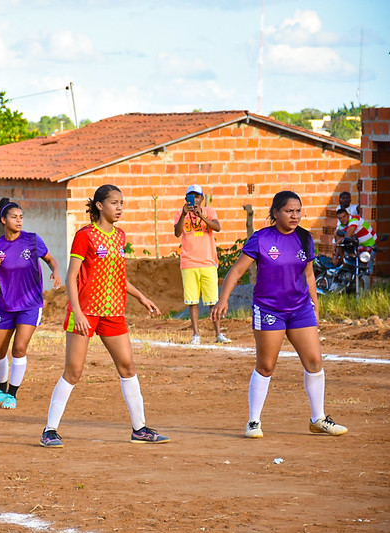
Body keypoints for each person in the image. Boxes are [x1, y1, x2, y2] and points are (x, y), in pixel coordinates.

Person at [40, 184, 170, 448]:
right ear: (99, 206)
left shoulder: (120, 236)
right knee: (73, 372)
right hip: (85, 311)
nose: (119, 208)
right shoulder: (85, 235)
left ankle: (140, 429)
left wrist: (141, 297)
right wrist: (76, 312)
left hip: (112, 311)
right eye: (114, 203)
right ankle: (49, 431)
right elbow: (72, 276)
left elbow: (119, 276)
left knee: (128, 367)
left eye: (122, 203)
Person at [211, 191, 347, 439]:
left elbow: (308, 275)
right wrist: (223, 299)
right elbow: (237, 270)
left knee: (314, 361)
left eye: (298, 210)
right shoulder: (261, 239)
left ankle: (318, 418)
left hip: (300, 309)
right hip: (269, 309)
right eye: (289, 211)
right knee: (266, 365)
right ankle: (254, 421)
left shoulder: (305, 238)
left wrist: (315, 304)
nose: (295, 215)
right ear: (275, 213)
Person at [0, 198, 61, 410]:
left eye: (21, 217)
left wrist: (55, 271)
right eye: (14, 217)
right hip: (5, 305)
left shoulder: (32, 240)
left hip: (30, 304)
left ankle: (12, 394)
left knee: (19, 348)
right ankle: (0, 391)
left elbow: (50, 259)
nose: (19, 221)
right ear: (3, 220)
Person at [173, 184, 230, 345]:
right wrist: (184, 214)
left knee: (213, 301)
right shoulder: (180, 213)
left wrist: (202, 216)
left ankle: (218, 333)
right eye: (191, 196)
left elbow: (217, 227)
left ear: (202, 199)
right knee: (192, 301)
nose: (195, 200)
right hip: (189, 262)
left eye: (197, 196)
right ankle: (196, 334)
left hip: (208, 261)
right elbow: (177, 233)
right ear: (186, 199)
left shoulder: (209, 211)